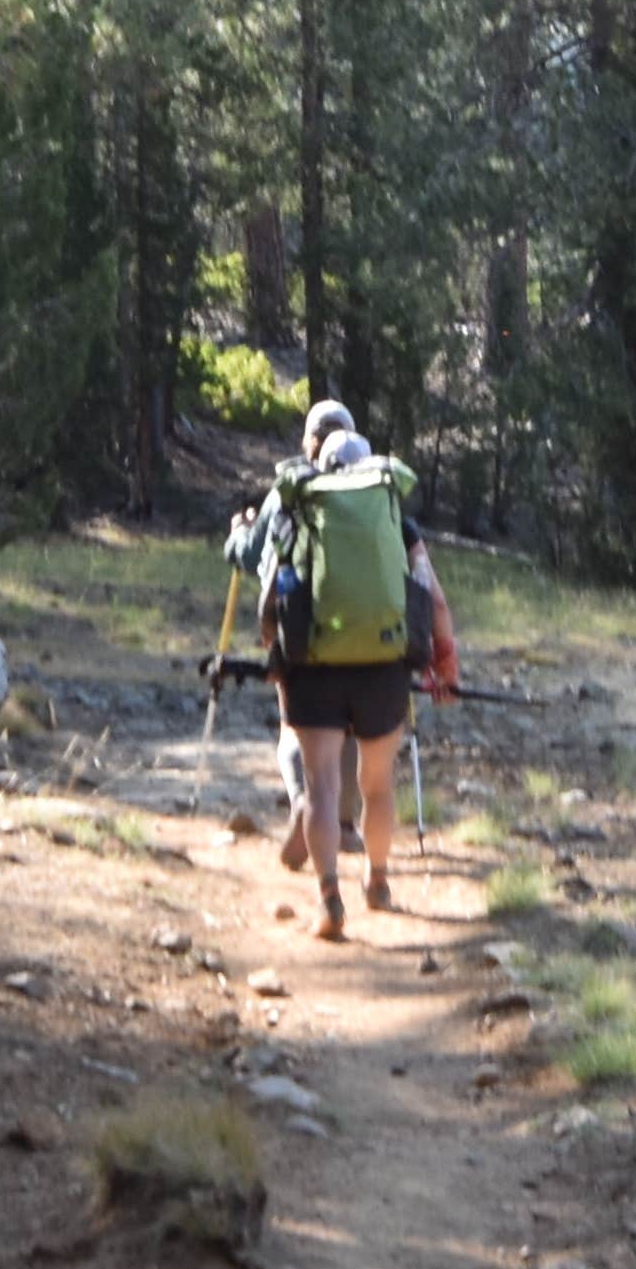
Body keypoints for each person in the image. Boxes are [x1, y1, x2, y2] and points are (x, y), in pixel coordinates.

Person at [242, 398, 439, 938]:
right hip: (383, 666)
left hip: (315, 668)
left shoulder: (300, 502)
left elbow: (270, 591)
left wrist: (274, 652)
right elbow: (428, 592)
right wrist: (440, 657)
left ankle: (329, 898)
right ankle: (377, 881)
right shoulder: (391, 511)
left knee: (323, 786)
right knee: (376, 786)